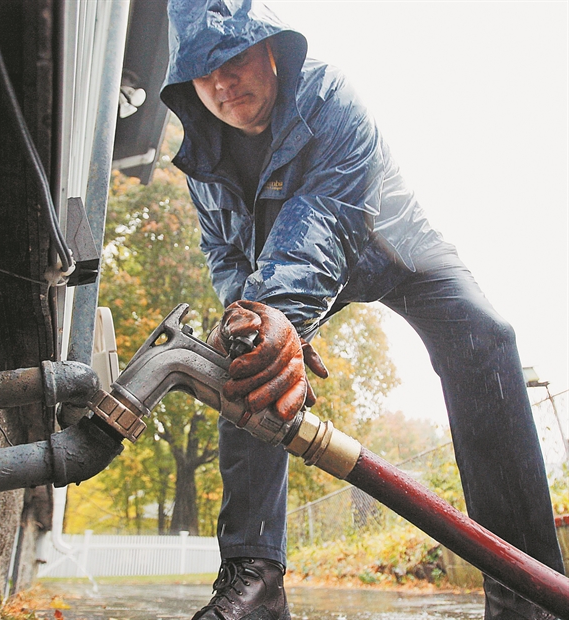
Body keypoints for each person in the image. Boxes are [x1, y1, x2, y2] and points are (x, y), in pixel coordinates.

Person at [159, 2, 565, 619]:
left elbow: (325, 220)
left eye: (233, 59)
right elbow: (225, 253)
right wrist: (258, 323)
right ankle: (255, 576)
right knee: (243, 353)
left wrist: (283, 311)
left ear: (272, 50)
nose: (221, 85)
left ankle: (524, 585)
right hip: (289, 266)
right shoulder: (202, 159)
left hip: (389, 247)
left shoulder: (332, 99)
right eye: (202, 73)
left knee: (485, 337)